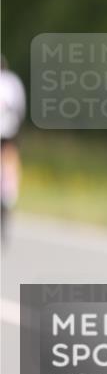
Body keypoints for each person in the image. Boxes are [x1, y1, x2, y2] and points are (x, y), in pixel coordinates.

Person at [1, 55, 27, 245]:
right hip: (9, 131)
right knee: (9, 164)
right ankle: (8, 194)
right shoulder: (13, 82)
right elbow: (20, 110)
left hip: (8, 131)